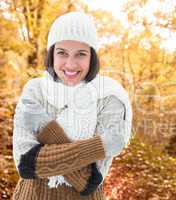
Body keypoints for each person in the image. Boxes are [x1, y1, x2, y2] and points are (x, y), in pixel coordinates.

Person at [12, 11, 132, 200]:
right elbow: (26, 164)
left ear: (92, 57)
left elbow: (90, 180)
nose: (70, 64)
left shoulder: (110, 97)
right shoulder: (35, 90)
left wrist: (44, 129)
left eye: (80, 54)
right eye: (62, 53)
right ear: (52, 54)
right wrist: (100, 146)